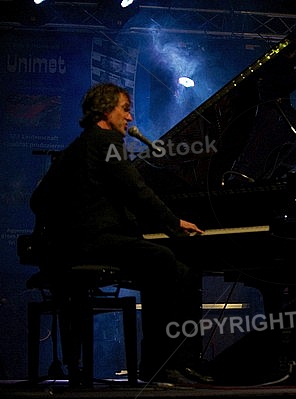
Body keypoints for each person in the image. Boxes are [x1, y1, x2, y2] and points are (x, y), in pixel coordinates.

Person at [29, 82, 207, 384]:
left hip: (75, 244)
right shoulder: (106, 142)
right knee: (162, 260)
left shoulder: (79, 146)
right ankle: (159, 365)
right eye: (125, 109)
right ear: (105, 110)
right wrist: (174, 223)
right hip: (92, 243)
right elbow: (137, 192)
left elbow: (38, 199)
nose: (129, 118)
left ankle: (181, 360)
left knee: (183, 271)